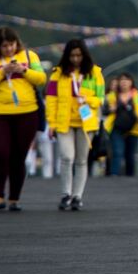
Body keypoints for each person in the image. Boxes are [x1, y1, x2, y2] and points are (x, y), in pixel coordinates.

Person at [0, 27, 47, 211]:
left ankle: (14, 198)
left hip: (27, 113)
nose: (9, 49)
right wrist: (2, 72)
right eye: (4, 46)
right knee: (0, 154)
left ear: (17, 43)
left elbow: (41, 78)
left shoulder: (30, 56)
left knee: (19, 156)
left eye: (11, 45)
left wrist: (23, 70)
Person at [45, 38, 105, 210]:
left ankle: (77, 196)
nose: (76, 59)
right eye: (72, 55)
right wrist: (52, 123)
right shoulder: (57, 74)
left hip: (86, 123)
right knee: (66, 157)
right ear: (67, 56)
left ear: (84, 55)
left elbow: (101, 98)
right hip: (64, 122)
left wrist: (88, 99)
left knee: (81, 160)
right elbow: (51, 100)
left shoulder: (95, 73)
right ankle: (66, 194)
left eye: (79, 55)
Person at [105, 73, 138, 177]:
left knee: (130, 154)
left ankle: (130, 176)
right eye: (122, 80)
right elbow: (104, 111)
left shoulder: (137, 96)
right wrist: (110, 109)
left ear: (131, 82)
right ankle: (114, 174)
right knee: (117, 151)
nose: (124, 82)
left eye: (127, 80)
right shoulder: (111, 96)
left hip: (133, 128)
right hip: (116, 127)